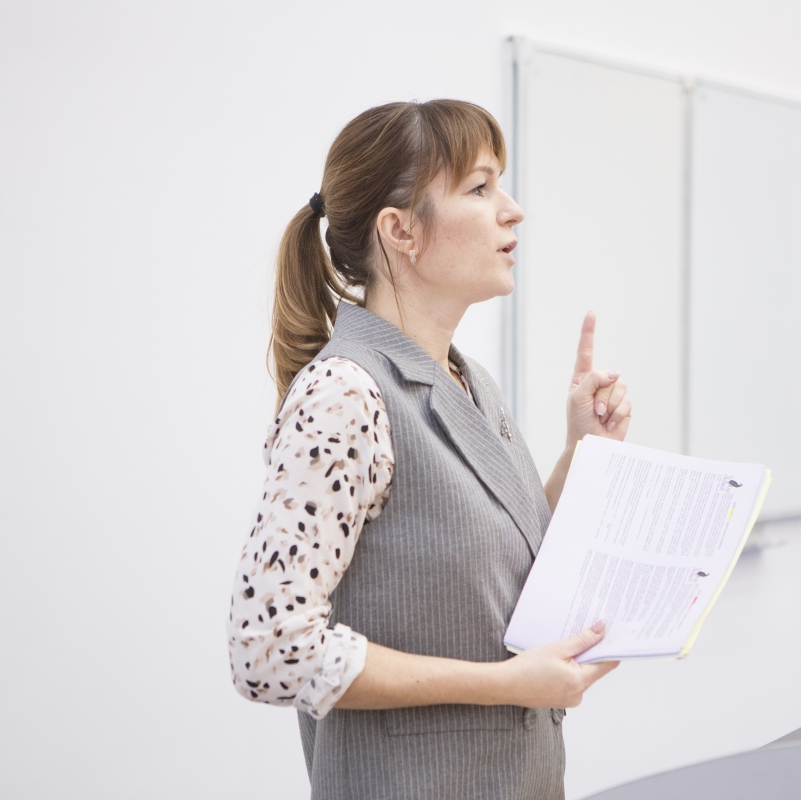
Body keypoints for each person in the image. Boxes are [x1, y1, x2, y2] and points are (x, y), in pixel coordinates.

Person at [226, 99, 633, 800]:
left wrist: (579, 455)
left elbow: (496, 576)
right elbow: (268, 649)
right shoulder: (344, 394)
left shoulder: (470, 381)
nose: (512, 210)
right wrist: (504, 684)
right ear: (401, 230)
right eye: (480, 188)